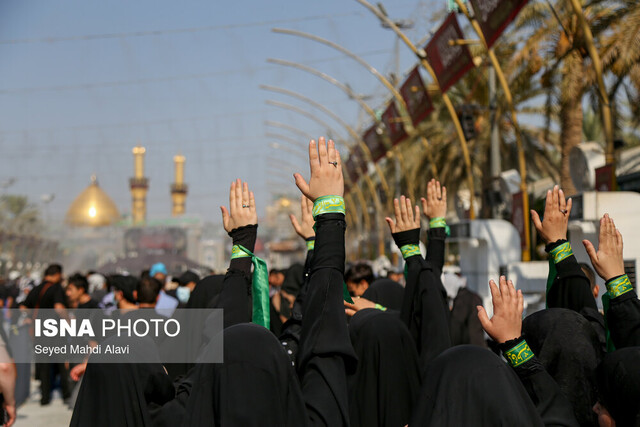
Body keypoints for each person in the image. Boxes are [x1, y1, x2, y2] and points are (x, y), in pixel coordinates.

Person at [19, 263, 71, 406]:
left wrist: (30, 319)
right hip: (56, 332)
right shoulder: (56, 288)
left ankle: (45, 397)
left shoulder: (36, 289)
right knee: (62, 363)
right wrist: (69, 323)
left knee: (44, 364)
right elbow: (59, 308)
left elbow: (23, 307)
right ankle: (66, 395)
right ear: (58, 274)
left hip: (39, 332)